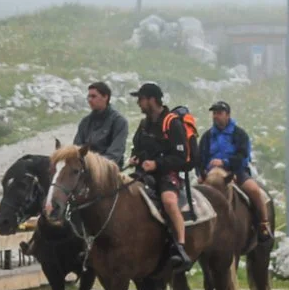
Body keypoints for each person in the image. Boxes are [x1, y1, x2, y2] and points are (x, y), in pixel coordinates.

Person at [128, 82, 194, 269]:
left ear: (151, 100)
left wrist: (157, 164)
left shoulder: (172, 123)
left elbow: (180, 157)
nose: (138, 104)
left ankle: (180, 247)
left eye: (140, 99)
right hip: (143, 174)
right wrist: (136, 158)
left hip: (167, 175)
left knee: (169, 201)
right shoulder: (144, 124)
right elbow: (137, 147)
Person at [198, 100, 271, 240]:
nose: (215, 116)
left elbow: (243, 156)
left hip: (235, 172)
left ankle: (263, 223)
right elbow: (200, 157)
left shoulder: (239, 134)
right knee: (195, 193)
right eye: (214, 113)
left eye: (219, 113)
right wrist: (203, 172)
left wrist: (225, 163)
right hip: (211, 175)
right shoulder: (207, 136)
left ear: (228, 115)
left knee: (254, 190)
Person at [72, 81, 130, 167]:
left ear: (105, 97)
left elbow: (114, 154)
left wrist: (94, 166)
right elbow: (77, 148)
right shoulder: (85, 122)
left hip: (108, 172)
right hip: (85, 170)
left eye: (94, 96)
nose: (90, 100)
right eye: (89, 96)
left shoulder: (119, 121)